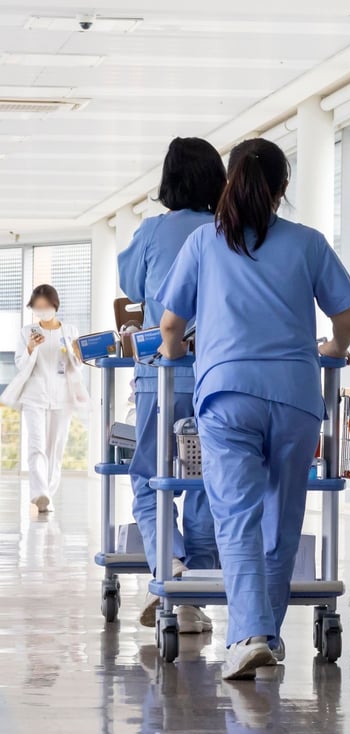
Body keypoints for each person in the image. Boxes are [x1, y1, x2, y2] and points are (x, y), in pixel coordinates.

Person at [156, 137, 350, 681]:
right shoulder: (308, 243)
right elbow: (346, 318)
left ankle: (249, 635)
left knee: (236, 515)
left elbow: (171, 326)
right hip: (296, 396)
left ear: (230, 184)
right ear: (283, 188)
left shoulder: (204, 242)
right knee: (282, 514)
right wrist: (334, 351)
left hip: (228, 396)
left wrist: (175, 356)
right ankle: (264, 633)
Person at [118, 137, 226, 633]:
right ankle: (194, 590)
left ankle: (170, 563)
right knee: (206, 475)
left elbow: (133, 286)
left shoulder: (153, 231)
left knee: (149, 477)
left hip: (160, 373)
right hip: (216, 373)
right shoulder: (227, 231)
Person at [1, 285, 89, 514]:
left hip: (62, 397)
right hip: (34, 396)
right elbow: (20, 363)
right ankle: (39, 492)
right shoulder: (27, 331)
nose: (41, 311)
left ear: (55, 305)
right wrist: (31, 348)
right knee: (36, 446)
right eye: (37, 308)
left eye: (45, 306)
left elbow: (77, 365)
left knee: (56, 449)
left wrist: (77, 353)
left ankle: (47, 493)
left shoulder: (69, 330)